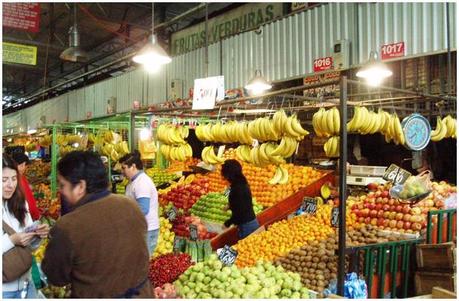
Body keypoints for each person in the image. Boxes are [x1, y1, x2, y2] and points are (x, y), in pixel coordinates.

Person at [41, 151, 153, 298]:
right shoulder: (131, 206)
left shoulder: (68, 226)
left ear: (80, 186)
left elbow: (56, 277)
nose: (61, 191)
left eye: (63, 185)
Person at [2, 154, 49, 298]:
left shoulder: (20, 204)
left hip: (26, 284)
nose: (10, 185)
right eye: (4, 180)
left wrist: (37, 235)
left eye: (14, 178)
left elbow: (30, 247)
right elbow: (15, 241)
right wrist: (12, 241)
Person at [120, 151, 159, 256]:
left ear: (133, 166)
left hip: (147, 230)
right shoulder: (133, 182)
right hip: (140, 229)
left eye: (124, 168)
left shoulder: (142, 182)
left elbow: (143, 208)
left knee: (144, 263)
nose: (122, 172)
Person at [221, 159, 260, 239]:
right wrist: (230, 206)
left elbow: (239, 213)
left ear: (228, 175)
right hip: (250, 222)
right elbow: (242, 203)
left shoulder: (237, 189)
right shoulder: (241, 184)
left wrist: (227, 223)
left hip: (247, 226)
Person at [11, 153, 40, 221]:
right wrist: (36, 216)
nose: (25, 168)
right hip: (25, 217)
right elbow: (30, 203)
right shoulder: (20, 179)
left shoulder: (18, 178)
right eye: (25, 165)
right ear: (22, 165)